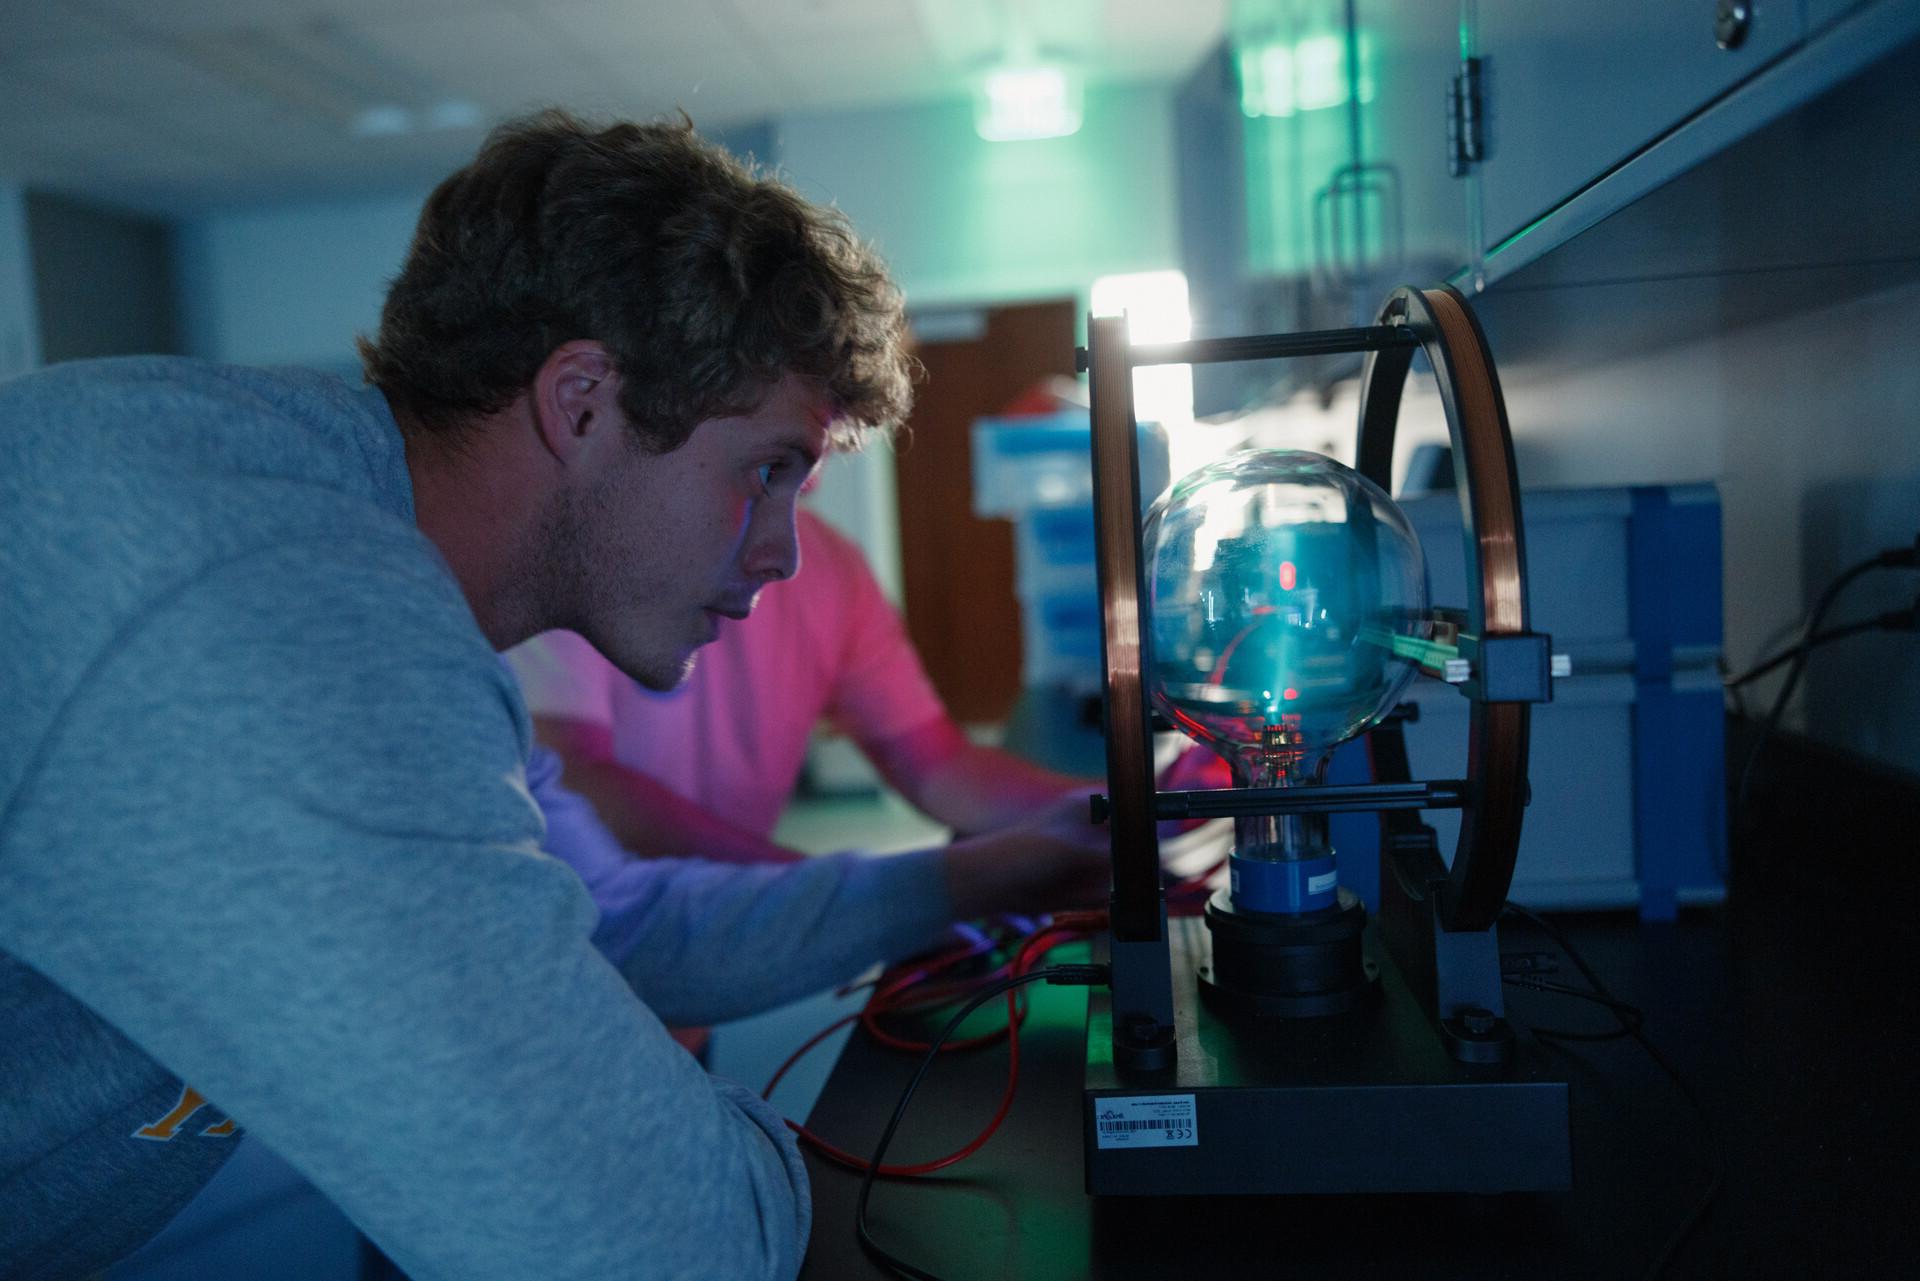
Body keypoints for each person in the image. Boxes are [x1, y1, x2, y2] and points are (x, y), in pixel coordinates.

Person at [0, 111, 1107, 1281]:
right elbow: (665, 1247)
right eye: (769, 470)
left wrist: (975, 874)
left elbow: (615, 926)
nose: (786, 553)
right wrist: (725, 1148)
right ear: (581, 401)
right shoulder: (281, 598)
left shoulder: (352, 549)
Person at [505, 506, 1093, 868]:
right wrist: (843, 896)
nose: (780, 558)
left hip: (682, 974)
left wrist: (1121, 810)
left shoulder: (829, 562)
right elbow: (568, 784)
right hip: (550, 984)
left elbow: (936, 766)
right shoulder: (574, 543)